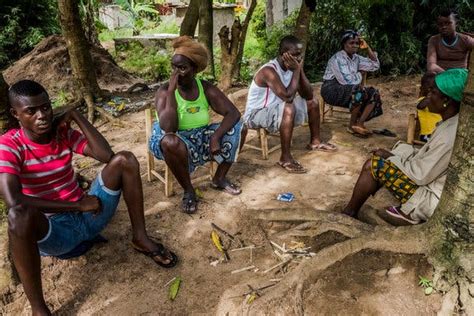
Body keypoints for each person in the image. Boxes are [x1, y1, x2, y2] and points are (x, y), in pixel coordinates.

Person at [0, 80, 178, 316]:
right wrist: (76, 204)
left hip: (91, 215)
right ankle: (39, 309)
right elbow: (14, 201)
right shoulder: (9, 145)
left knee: (125, 159)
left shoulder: (60, 132)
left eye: (45, 107)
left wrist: (75, 115)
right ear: (16, 114)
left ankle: (140, 237)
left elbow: (106, 155)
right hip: (56, 233)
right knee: (18, 216)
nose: (42, 116)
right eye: (31, 111)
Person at [342, 69, 467, 225]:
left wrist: (391, 157)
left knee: (373, 166)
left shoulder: (449, 134)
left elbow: (420, 174)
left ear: (446, 100)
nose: (428, 96)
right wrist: (393, 156)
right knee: (386, 159)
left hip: (432, 196)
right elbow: (426, 158)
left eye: (433, 92)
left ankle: (349, 213)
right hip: (432, 182)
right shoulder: (452, 123)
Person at [150, 36, 243, 214]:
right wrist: (171, 92)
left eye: (182, 68)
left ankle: (219, 178)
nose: (176, 73)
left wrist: (216, 137)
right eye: (174, 67)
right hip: (172, 139)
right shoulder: (164, 91)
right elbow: (169, 129)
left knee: (240, 127)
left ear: (195, 70)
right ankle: (188, 190)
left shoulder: (205, 88)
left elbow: (233, 113)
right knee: (170, 141)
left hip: (201, 136)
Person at [244, 35, 336, 174]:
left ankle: (315, 142)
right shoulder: (268, 71)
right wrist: (297, 70)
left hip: (277, 110)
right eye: (295, 55)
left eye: (300, 55)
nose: (298, 58)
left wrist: (299, 69)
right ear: (283, 54)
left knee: (313, 102)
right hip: (256, 114)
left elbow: (308, 94)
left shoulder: (293, 68)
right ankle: (285, 158)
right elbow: (288, 96)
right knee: (289, 106)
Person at [321, 30, 382, 137]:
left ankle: (359, 124)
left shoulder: (356, 58)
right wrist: (360, 74)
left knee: (374, 93)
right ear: (344, 44)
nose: (355, 45)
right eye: (351, 43)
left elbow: (375, 65)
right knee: (359, 90)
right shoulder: (338, 58)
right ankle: (351, 125)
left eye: (357, 43)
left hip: (348, 89)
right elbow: (347, 81)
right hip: (331, 90)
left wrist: (367, 48)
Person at [427, 9, 473, 74]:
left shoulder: (465, 40)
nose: (444, 27)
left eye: (448, 23)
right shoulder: (434, 40)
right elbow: (431, 65)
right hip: (441, 75)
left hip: (460, 76)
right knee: (427, 78)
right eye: (440, 24)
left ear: (456, 24)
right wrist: (447, 75)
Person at [416, 72, 442, 142]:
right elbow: (420, 106)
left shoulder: (438, 100)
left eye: (434, 86)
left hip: (438, 132)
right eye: (429, 86)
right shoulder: (421, 100)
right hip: (427, 135)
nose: (430, 89)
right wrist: (430, 96)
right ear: (422, 87)